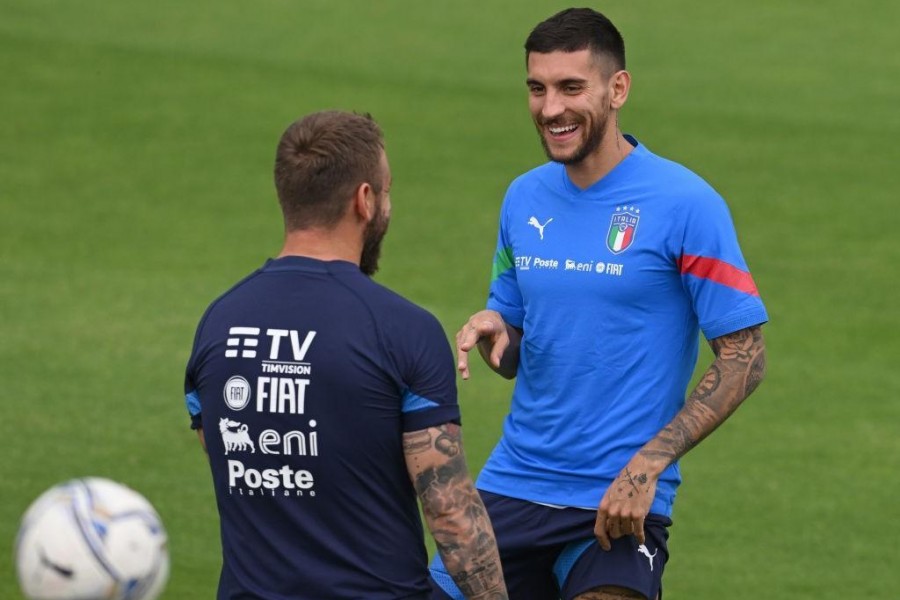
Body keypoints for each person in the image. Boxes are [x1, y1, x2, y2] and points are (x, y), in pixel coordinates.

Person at [429, 8, 768, 600]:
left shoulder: (687, 203)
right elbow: (513, 349)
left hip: (619, 498)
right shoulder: (523, 198)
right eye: (537, 88)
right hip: (515, 483)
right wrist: (496, 330)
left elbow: (746, 357)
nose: (551, 108)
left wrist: (647, 467)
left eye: (570, 87)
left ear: (618, 89)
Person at [184, 110, 508, 600]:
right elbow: (451, 515)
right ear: (364, 199)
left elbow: (231, 460)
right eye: (387, 190)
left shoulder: (217, 324)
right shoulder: (405, 330)